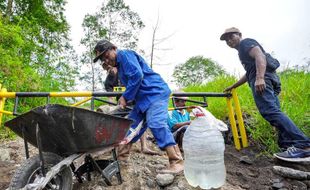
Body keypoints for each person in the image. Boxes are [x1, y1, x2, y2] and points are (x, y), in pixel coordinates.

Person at [93, 39, 183, 173]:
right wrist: (126, 101)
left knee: (156, 123)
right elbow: (135, 84)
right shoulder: (121, 68)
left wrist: (125, 97)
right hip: (143, 101)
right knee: (129, 127)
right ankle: (121, 160)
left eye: (106, 56)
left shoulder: (124, 55)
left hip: (155, 93)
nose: (106, 60)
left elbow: (137, 75)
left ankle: (177, 162)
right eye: (102, 59)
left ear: (113, 48)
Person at [220, 27, 310, 161]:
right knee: (274, 112)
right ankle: (288, 146)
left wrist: (260, 78)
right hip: (269, 79)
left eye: (231, 37)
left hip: (264, 79)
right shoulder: (242, 51)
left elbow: (259, 56)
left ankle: (303, 145)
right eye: (226, 40)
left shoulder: (246, 43)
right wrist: (234, 86)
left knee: (270, 111)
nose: (229, 41)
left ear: (239, 35)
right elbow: (249, 72)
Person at [101, 67, 158, 156]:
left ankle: (144, 146)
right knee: (111, 117)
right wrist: (113, 106)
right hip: (122, 104)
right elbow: (110, 95)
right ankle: (111, 146)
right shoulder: (110, 78)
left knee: (141, 121)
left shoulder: (129, 70)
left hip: (136, 102)